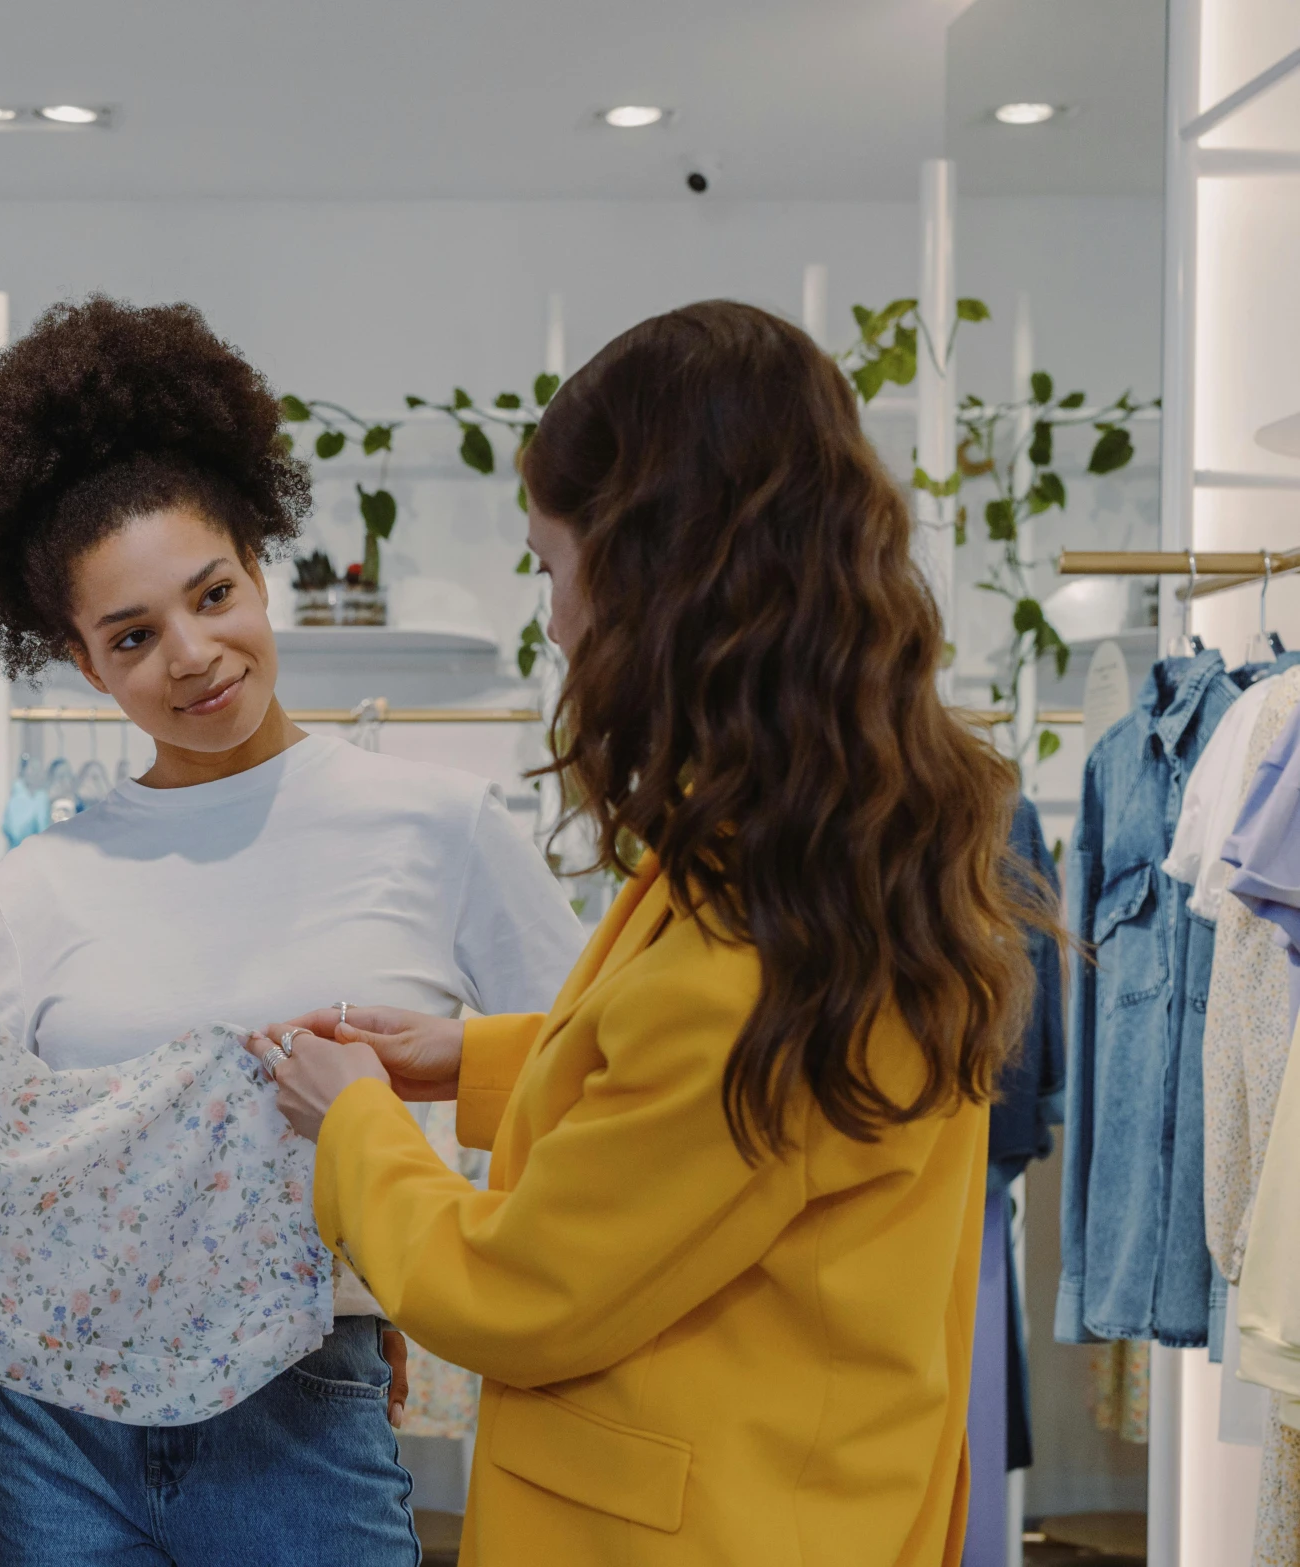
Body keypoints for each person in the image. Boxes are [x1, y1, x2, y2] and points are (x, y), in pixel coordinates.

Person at [252, 300, 1043, 1566]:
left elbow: (511, 1290)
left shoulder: (752, 941)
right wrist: (479, 1062)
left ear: (650, 577)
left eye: (551, 567)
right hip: (806, 1493)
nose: (555, 622)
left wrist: (358, 1121)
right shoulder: (830, 849)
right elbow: (722, 1135)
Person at [0, 296, 584, 1567]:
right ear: (80, 658)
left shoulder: (439, 829)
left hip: (302, 1402)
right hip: (55, 1423)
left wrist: (446, 1275)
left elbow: (583, 1082)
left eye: (212, 593)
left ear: (259, 565)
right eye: (132, 635)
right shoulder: (40, 883)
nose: (195, 653)